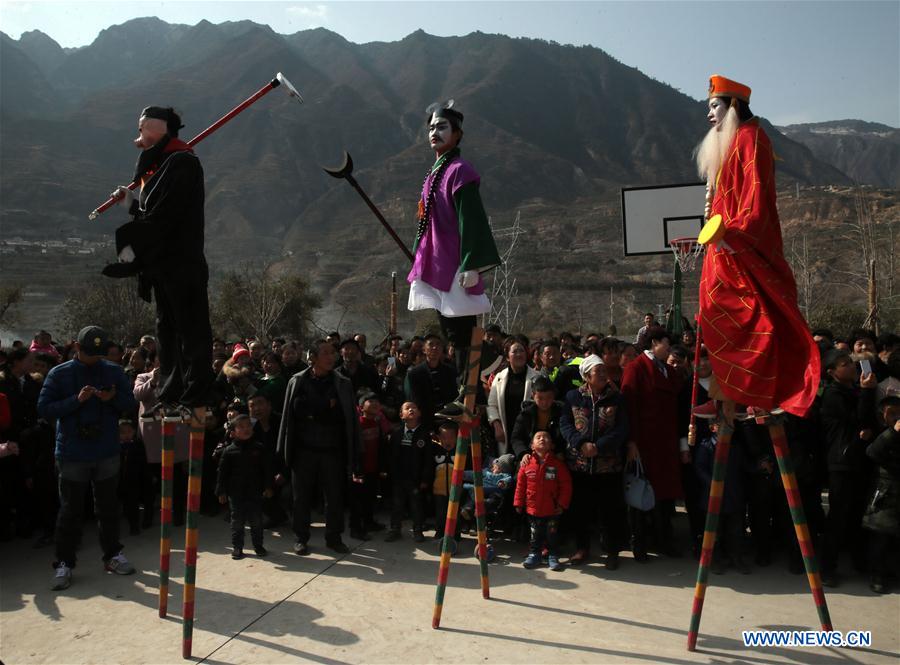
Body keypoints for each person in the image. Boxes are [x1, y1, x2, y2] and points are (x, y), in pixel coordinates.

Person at [695, 75, 819, 419]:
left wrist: (733, 234)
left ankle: (760, 393)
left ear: (733, 105)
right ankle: (724, 394)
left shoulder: (752, 138)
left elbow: (757, 199)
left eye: (715, 106)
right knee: (715, 314)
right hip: (721, 248)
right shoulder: (728, 142)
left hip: (741, 245)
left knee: (753, 319)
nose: (709, 115)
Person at [102, 105, 214, 413]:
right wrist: (131, 206)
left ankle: (194, 395)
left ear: (158, 128)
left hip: (183, 263)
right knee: (167, 330)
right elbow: (154, 216)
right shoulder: (164, 164)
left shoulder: (182, 163)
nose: (138, 134)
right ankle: (171, 391)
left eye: (142, 128)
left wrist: (129, 247)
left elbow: (165, 219)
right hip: (165, 266)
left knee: (190, 331)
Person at [37, 326, 138, 590]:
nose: (95, 358)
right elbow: (45, 408)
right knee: (70, 510)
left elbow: (130, 404)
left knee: (108, 507)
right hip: (72, 452)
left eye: (99, 354)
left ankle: (113, 555)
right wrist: (75, 401)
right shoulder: (59, 374)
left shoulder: (114, 371)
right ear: (77, 348)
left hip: (106, 450)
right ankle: (64, 563)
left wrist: (112, 398)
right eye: (90, 353)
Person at [406, 101, 501, 381]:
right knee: (449, 328)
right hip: (435, 258)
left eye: (442, 126)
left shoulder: (459, 170)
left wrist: (473, 263)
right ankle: (466, 383)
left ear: (457, 133)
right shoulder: (435, 172)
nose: (435, 131)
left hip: (455, 259)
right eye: (431, 127)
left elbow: (471, 219)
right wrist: (418, 254)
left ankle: (468, 387)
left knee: (461, 328)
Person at [277, 340, 361, 555]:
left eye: (332, 353)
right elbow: (293, 412)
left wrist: (313, 410)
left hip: (333, 450)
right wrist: (323, 407)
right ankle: (300, 537)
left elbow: (345, 418)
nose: (331, 357)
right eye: (325, 353)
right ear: (312, 357)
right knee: (301, 497)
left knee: (334, 497)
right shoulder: (297, 381)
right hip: (303, 450)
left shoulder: (342, 383)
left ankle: (333, 538)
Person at [559, 355, 629, 568]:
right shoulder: (573, 397)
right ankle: (582, 548)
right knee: (581, 509)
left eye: (603, 370)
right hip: (579, 464)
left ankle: (612, 551)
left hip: (608, 465)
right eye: (597, 371)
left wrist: (598, 447)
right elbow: (565, 424)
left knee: (610, 510)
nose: (602, 374)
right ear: (587, 376)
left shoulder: (616, 398)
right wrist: (581, 444)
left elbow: (621, 429)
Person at [621, 326, 684, 560]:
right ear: (654, 343)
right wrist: (632, 442)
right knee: (641, 493)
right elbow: (629, 408)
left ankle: (664, 539)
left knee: (664, 497)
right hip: (644, 443)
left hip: (666, 443)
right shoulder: (636, 368)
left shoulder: (668, 370)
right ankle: (639, 542)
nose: (669, 348)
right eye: (666, 343)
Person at [819, 348, 877, 586]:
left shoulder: (853, 390)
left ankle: (859, 561)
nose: (851, 366)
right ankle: (827, 568)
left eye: (850, 363)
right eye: (844, 364)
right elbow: (859, 419)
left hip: (859, 460)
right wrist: (866, 392)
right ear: (832, 372)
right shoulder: (833, 394)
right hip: (842, 462)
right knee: (839, 516)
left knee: (857, 514)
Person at [216, 412, 274, 559]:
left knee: (256, 521)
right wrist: (221, 491)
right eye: (241, 427)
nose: (246, 429)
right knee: (237, 522)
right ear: (233, 432)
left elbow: (266, 470)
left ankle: (258, 545)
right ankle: (237, 547)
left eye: (248, 425)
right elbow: (222, 473)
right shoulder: (229, 451)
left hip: (255, 491)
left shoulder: (259, 448)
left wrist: (268, 486)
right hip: (236, 494)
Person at [514, 431, 572, 571]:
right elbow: (520, 485)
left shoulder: (557, 465)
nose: (542, 439)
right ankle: (535, 554)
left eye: (546, 437)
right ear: (532, 445)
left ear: (551, 445)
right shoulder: (526, 464)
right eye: (538, 437)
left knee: (551, 534)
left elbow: (566, 485)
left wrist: (562, 504)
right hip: (532, 509)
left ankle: (553, 555)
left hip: (552, 509)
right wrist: (518, 503)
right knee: (535, 534)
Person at [862, 396, 900, 593]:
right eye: (892, 414)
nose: (897, 417)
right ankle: (877, 575)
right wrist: (893, 432)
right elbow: (873, 452)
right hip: (886, 492)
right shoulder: (883, 434)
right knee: (881, 538)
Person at [486, 341, 541, 456]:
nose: (519, 354)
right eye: (514, 351)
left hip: (527, 431)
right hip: (505, 429)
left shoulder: (537, 376)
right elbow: (491, 405)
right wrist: (497, 425)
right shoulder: (499, 377)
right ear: (507, 357)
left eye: (521, 351)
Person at [387, 402, 431, 542]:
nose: (411, 409)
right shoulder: (396, 433)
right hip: (399, 477)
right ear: (401, 415)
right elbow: (390, 456)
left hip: (415, 478)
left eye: (414, 407)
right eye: (407, 408)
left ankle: (418, 530)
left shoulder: (424, 435)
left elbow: (428, 459)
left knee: (416, 505)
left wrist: (425, 478)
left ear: (419, 413)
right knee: (397, 504)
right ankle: (395, 529)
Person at [404, 334, 457, 434]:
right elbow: (416, 400)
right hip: (425, 422)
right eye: (431, 344)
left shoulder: (450, 371)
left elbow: (453, 396)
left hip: (448, 421)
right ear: (424, 349)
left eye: (438, 345)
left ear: (442, 349)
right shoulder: (414, 373)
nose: (434, 347)